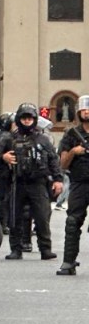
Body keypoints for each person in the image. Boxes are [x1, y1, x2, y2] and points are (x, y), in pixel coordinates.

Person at [0, 102, 62, 262]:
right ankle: (16, 249)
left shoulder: (43, 139)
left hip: (38, 183)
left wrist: (58, 180)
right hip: (17, 182)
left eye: (30, 118)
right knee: (15, 217)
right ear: (19, 119)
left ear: (34, 119)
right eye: (24, 118)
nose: (27, 121)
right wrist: (4, 157)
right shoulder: (9, 138)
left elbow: (53, 160)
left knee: (42, 216)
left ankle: (46, 249)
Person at [58, 95, 89, 276]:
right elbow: (63, 164)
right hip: (79, 184)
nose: (87, 112)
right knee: (72, 222)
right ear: (78, 111)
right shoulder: (71, 135)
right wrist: (74, 152)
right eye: (84, 109)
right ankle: (68, 262)